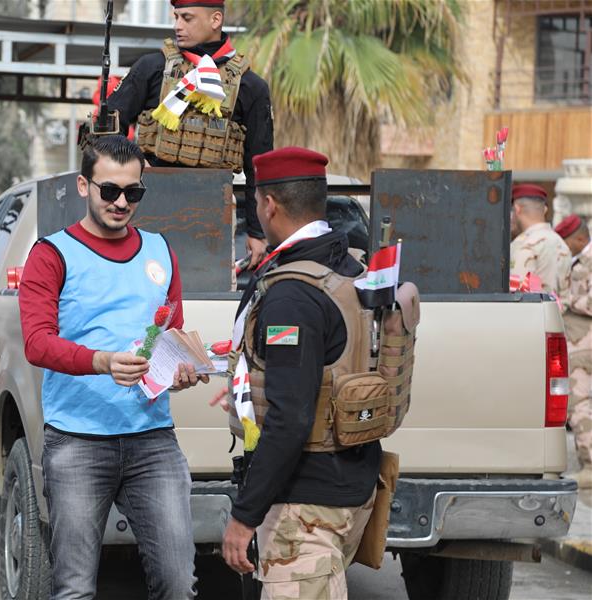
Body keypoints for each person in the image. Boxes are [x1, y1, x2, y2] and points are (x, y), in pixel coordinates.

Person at [19, 135, 205, 599]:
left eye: (133, 192)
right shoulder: (51, 254)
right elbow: (37, 344)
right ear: (83, 186)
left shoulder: (160, 250)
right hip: (78, 441)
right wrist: (101, 362)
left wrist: (180, 371)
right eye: (109, 191)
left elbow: (170, 334)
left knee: (179, 583)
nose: (121, 202)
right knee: (76, 588)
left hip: (152, 439)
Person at [211, 147, 381, 599]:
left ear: (269, 205)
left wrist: (244, 516)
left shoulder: (292, 296)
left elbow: (291, 419)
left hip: (306, 503)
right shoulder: (345, 264)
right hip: (349, 482)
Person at [105, 0, 273, 269]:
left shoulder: (251, 86)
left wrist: (256, 231)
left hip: (212, 213)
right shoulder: (152, 67)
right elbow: (107, 130)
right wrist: (134, 164)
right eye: (176, 17)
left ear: (215, 20)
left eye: (187, 18)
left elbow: (260, 166)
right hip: (147, 202)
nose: (177, 26)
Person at [555, 214, 592, 488]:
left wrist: (567, 300)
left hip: (583, 339)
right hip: (577, 337)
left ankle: (590, 466)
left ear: (580, 238)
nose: (565, 249)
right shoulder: (581, 258)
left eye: (567, 243)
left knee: (579, 403)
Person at [510, 183, 571, 296]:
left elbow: (515, 295)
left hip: (530, 313)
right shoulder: (562, 244)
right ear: (545, 210)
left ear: (517, 209)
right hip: (557, 313)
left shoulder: (523, 244)